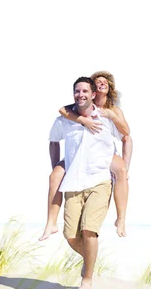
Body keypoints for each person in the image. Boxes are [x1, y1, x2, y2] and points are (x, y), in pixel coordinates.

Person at [48, 77, 123, 289]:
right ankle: (90, 260)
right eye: (77, 91)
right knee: (70, 235)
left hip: (100, 180)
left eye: (85, 91)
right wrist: (56, 166)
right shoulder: (64, 120)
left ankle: (87, 280)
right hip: (73, 182)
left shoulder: (106, 117)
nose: (80, 94)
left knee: (89, 230)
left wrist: (124, 166)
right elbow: (53, 140)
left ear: (92, 95)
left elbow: (126, 134)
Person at [39, 71, 132, 241]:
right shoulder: (78, 109)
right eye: (98, 81)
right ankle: (51, 222)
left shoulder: (111, 111)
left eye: (105, 82)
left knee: (121, 171)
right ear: (93, 89)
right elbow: (62, 110)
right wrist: (83, 120)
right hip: (78, 154)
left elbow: (126, 135)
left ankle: (121, 219)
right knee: (55, 176)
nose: (102, 83)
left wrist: (126, 165)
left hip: (102, 154)